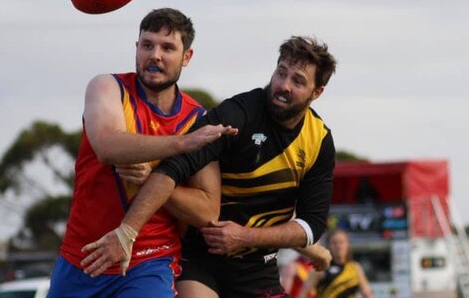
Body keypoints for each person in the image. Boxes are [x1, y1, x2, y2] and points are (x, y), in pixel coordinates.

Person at [83, 35, 338, 297]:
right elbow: (174, 167)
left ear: (316, 92)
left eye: (297, 81)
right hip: (200, 258)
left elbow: (312, 224)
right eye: (280, 73)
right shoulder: (237, 113)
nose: (283, 85)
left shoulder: (318, 141)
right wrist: (127, 232)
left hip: (257, 268)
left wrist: (246, 237)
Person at [47, 8, 237, 298]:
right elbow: (107, 146)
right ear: (136, 48)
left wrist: (155, 180)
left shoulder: (197, 120)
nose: (155, 55)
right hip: (82, 259)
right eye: (147, 45)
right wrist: (181, 144)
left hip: (149, 261)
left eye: (168, 47)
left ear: (187, 57)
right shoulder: (108, 87)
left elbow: (207, 211)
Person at [297, 230, 374, 298]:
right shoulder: (321, 267)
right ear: (329, 246)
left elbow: (367, 293)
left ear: (348, 244)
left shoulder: (355, 267)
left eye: (341, 242)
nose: (338, 246)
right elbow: (303, 294)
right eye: (334, 243)